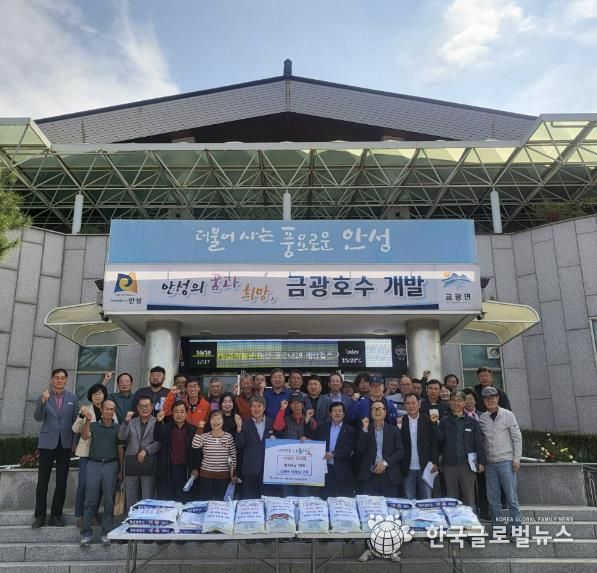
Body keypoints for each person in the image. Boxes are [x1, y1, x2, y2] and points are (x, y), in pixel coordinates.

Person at [32, 368, 79, 529]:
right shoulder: (44, 396)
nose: (59, 380)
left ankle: (56, 515)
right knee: (42, 481)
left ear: (66, 380)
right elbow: (38, 417)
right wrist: (43, 401)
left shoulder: (72, 398)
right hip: (47, 443)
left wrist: (74, 442)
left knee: (61, 481)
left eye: (62, 378)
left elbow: (76, 422)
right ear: (52, 379)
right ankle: (40, 516)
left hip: (65, 444)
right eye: (57, 378)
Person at [79, 400, 123, 547]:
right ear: (102, 410)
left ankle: (106, 532)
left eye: (112, 409)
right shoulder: (93, 425)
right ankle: (86, 533)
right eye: (106, 409)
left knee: (109, 500)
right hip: (93, 464)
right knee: (90, 500)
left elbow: (120, 449)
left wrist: (121, 469)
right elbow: (85, 436)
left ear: (114, 412)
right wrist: (87, 421)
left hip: (111, 465)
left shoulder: (118, 428)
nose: (109, 412)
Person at [479, 387, 523, 532]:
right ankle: (498, 527)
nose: (490, 400)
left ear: (498, 398)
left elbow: (517, 438)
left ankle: (515, 527)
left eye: (493, 397)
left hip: (506, 462)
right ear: (483, 401)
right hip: (490, 464)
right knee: (493, 499)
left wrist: (516, 459)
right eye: (487, 398)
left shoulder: (508, 415)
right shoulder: (482, 418)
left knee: (511, 498)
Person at [435, 391, 486, 509]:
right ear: (450, 402)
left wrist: (482, 462)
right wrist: (433, 425)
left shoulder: (472, 422)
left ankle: (471, 520)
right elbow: (439, 441)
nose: (456, 403)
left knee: (469, 498)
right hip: (449, 465)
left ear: (464, 403)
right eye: (453, 400)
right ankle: (454, 521)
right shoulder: (444, 421)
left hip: (467, 465)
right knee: (452, 500)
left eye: (459, 400)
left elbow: (478, 443)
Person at [72, 383, 109, 527]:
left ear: (104, 395)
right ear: (90, 396)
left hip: (102, 453)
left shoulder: (109, 409)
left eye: (100, 393)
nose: (97, 396)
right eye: (95, 394)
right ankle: (79, 515)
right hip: (87, 453)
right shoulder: (85, 409)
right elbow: (75, 429)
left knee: (97, 486)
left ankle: (92, 514)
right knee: (83, 484)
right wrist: (82, 415)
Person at [118, 397, 161, 512]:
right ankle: (130, 518)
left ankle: (147, 518)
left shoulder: (157, 422)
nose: (144, 408)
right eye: (141, 406)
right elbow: (121, 437)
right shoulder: (131, 422)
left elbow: (159, 442)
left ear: (152, 407)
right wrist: (126, 421)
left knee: (148, 495)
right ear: (137, 408)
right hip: (131, 462)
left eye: (147, 406)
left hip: (149, 461)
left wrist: (146, 450)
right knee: (130, 495)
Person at [273, 393, 318, 496]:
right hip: (288, 466)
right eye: (293, 403)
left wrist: (309, 439)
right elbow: (277, 427)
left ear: (303, 405)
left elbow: (316, 439)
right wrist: (282, 409)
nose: (296, 405)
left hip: (305, 466)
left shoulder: (311, 420)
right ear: (290, 406)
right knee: (287, 495)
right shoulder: (286, 419)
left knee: (304, 496)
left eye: (299, 403)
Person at [355, 400, 403, 496]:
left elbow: (400, 451)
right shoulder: (365, 429)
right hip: (369, 476)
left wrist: (385, 463)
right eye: (374, 409)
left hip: (389, 475)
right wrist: (365, 429)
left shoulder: (393, 430)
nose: (377, 411)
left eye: (379, 408)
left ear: (385, 412)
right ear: (370, 412)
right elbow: (360, 449)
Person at [154, 402, 198, 501]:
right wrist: (158, 422)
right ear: (172, 413)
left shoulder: (193, 430)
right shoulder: (166, 428)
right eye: (176, 412)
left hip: (185, 470)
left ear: (186, 413)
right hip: (168, 469)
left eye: (182, 411)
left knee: (183, 500)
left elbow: (197, 451)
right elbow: (157, 437)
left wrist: (196, 468)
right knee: (167, 500)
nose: (179, 414)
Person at [400, 394, 439, 499]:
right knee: (409, 499)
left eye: (413, 403)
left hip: (426, 466)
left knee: (427, 499)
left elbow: (433, 443)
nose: (411, 406)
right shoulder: (401, 421)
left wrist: (435, 461)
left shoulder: (427, 419)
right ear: (404, 405)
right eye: (408, 403)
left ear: (419, 404)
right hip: (407, 467)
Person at [235, 396, 275, 499]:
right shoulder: (244, 425)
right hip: (250, 469)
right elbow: (240, 444)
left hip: (269, 469)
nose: (256, 409)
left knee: (267, 499)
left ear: (264, 408)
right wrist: (239, 429)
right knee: (250, 500)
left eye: (259, 406)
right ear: (250, 408)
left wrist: (275, 437)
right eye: (253, 406)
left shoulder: (272, 422)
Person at [191, 410, 237, 500]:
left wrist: (233, 473)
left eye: (219, 419)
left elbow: (233, 456)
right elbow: (195, 445)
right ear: (209, 421)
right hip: (206, 476)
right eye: (213, 419)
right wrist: (200, 428)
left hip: (223, 476)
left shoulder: (228, 437)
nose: (216, 422)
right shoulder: (204, 436)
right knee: (205, 500)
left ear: (223, 421)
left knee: (220, 502)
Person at [317, 402, 356, 498]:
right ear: (330, 414)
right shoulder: (322, 427)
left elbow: (349, 448)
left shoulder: (350, 430)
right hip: (325, 469)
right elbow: (315, 443)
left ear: (344, 414)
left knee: (343, 499)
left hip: (342, 470)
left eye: (340, 411)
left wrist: (334, 454)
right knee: (326, 497)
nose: (337, 413)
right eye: (334, 411)